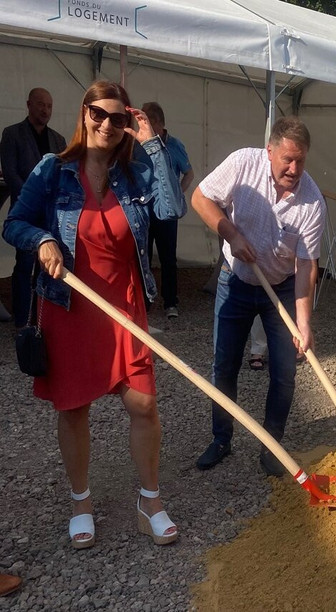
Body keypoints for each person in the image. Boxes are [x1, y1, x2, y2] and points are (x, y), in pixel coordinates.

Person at [2, 80, 184, 549]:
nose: (107, 124)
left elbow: (171, 208)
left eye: (118, 118)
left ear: (128, 123)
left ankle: (149, 501)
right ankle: (81, 502)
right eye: (98, 114)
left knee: (144, 404)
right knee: (74, 407)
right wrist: (42, 240)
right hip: (71, 306)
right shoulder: (53, 170)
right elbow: (15, 223)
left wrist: (153, 145)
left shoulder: (137, 174)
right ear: (84, 115)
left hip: (124, 304)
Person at [192, 117, 325, 476]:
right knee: (225, 364)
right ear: (270, 151)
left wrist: (303, 322)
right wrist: (231, 234)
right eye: (287, 160)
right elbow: (200, 197)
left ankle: (272, 446)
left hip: (279, 288)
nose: (294, 169)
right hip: (234, 280)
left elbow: (306, 267)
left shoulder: (312, 203)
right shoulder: (242, 164)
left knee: (284, 373)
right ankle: (222, 438)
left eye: (301, 161)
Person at [0, 88, 67, 327]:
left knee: (47, 269)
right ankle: (21, 321)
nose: (45, 110)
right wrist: (32, 197)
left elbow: (63, 177)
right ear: (29, 104)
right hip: (25, 212)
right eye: (40, 104)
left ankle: (44, 319)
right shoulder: (12, 134)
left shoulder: (59, 140)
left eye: (49, 106)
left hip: (51, 215)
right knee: (24, 267)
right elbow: (10, 172)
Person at [135, 102, 194, 319]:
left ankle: (171, 302)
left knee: (168, 258)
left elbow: (189, 172)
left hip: (167, 211)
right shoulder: (138, 145)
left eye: (148, 124)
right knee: (143, 256)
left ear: (159, 123)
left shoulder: (175, 145)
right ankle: (145, 301)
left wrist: (177, 192)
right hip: (144, 210)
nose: (144, 129)